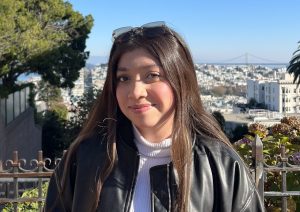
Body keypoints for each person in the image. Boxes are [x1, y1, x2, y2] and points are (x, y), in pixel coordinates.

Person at [44, 21, 265, 212]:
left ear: (181, 80)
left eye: (152, 75)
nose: (136, 92)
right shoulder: (84, 160)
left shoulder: (221, 166)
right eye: (123, 78)